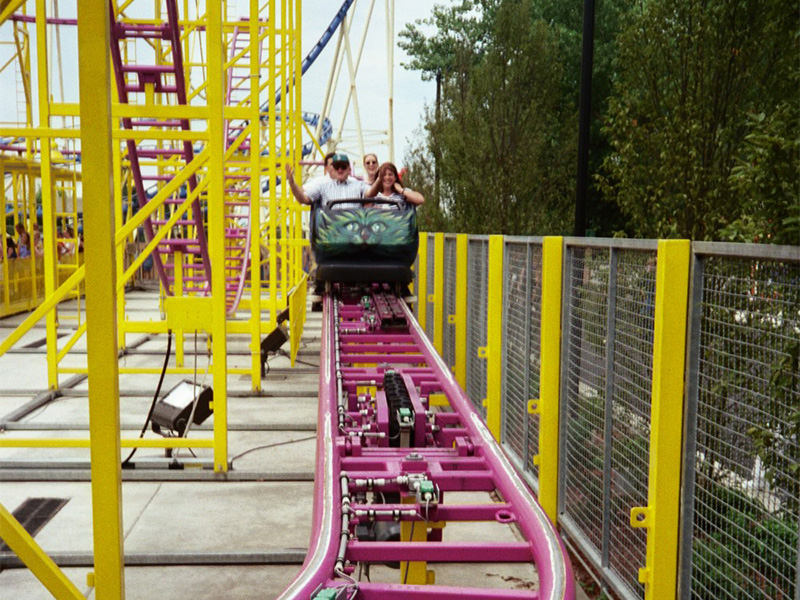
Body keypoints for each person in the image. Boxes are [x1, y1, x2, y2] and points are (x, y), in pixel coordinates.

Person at [285, 152, 368, 210]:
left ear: (349, 169)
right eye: (336, 166)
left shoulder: (357, 184)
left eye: (343, 166)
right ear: (327, 167)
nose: (339, 169)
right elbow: (303, 198)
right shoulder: (321, 184)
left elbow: (373, 195)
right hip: (331, 229)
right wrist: (292, 183)